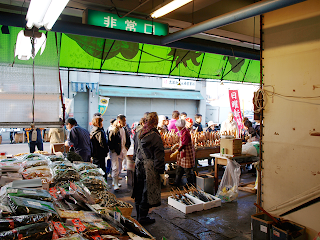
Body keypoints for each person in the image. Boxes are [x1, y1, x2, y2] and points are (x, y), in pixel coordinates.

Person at [132, 112, 165, 224]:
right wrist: (160, 171)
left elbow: (135, 150)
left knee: (139, 190)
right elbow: (159, 155)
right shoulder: (155, 136)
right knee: (147, 192)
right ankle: (143, 217)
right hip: (149, 168)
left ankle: (138, 215)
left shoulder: (138, 132)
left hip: (138, 166)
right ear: (155, 122)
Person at [170, 119, 195, 187]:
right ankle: (176, 182)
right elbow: (181, 142)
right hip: (183, 154)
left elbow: (184, 144)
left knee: (187, 171)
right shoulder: (182, 132)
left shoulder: (186, 133)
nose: (177, 127)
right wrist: (176, 145)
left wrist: (176, 152)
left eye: (177, 126)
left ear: (181, 126)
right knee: (179, 169)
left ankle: (190, 185)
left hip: (186, 154)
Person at [108, 115, 124, 190]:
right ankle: (115, 183)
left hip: (117, 151)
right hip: (114, 152)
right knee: (115, 167)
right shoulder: (113, 130)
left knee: (116, 167)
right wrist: (114, 150)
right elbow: (111, 142)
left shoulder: (119, 129)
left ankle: (115, 182)